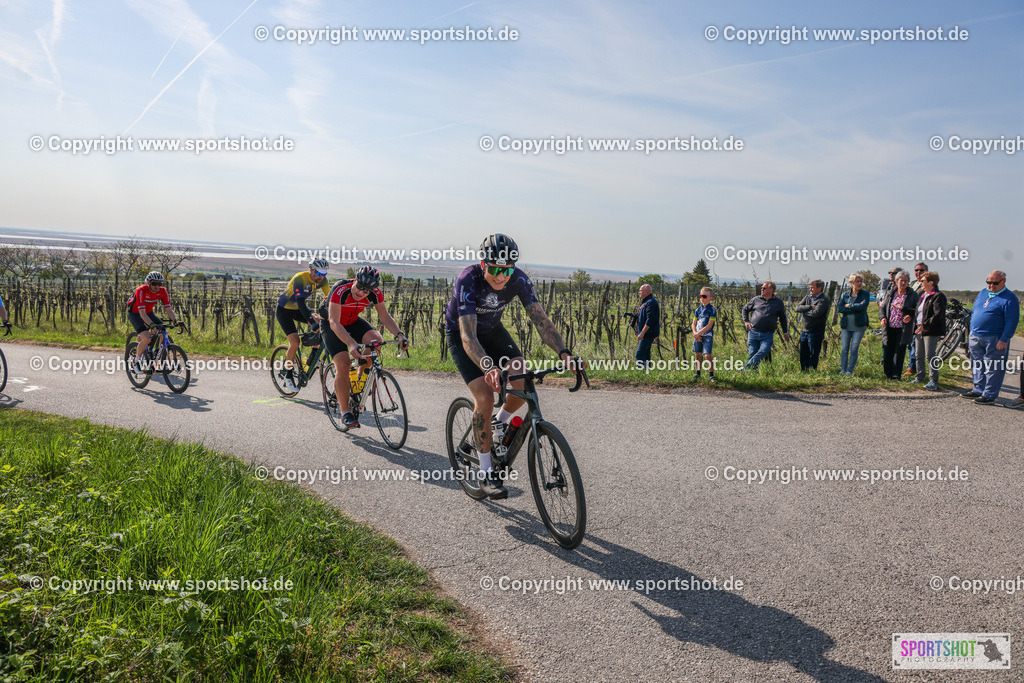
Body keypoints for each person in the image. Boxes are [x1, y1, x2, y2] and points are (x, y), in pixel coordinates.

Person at [445, 234, 584, 499]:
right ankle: (485, 473)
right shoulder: (467, 280)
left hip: (492, 330)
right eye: (495, 269)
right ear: (483, 264)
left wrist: (565, 353)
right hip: (463, 335)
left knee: (521, 378)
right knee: (485, 397)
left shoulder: (518, 279)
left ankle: (498, 423)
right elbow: (468, 337)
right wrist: (488, 366)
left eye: (507, 269)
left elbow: (541, 320)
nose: (501, 276)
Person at [320, 266, 408, 428]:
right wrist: (351, 343)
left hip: (352, 322)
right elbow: (334, 321)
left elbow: (385, 316)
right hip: (332, 325)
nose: (362, 293)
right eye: (360, 287)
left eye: (367, 291)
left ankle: (359, 382)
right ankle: (345, 412)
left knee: (376, 340)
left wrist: (400, 335)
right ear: (355, 280)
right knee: (344, 364)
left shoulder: (375, 293)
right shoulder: (340, 289)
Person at [961, 270, 1020, 405]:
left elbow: (1012, 321)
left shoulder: (1009, 298)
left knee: (994, 367)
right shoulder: (983, 293)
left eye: (994, 283)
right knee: (977, 364)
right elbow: (976, 311)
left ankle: (989, 394)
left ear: (1003, 281)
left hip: (995, 337)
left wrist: (1004, 338)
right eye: (989, 282)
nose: (991, 286)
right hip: (976, 335)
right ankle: (978, 389)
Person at [276, 258, 330, 391]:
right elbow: (301, 303)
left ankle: (313, 356)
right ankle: (288, 374)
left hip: (298, 310)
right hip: (284, 311)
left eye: (324, 274)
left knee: (319, 321)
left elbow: (330, 300)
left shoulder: (323, 280)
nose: (321, 277)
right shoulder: (299, 278)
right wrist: (311, 323)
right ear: (311, 270)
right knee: (295, 342)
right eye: (319, 273)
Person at [127, 271, 180, 372]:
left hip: (148, 312)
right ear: (148, 282)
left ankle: (156, 356)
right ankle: (135, 362)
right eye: (154, 283)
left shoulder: (163, 291)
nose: (157, 286)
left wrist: (176, 320)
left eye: (159, 284)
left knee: (163, 333)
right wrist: (151, 324)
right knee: (146, 338)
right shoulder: (141, 290)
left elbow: (168, 309)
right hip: (135, 313)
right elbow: (142, 313)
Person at [878, 270, 918, 380]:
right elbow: (882, 308)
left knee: (899, 352)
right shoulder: (890, 293)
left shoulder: (912, 295)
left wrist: (910, 315)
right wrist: (883, 318)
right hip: (889, 327)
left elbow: (917, 310)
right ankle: (888, 373)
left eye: (906, 281)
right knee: (888, 350)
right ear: (896, 281)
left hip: (903, 328)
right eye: (901, 281)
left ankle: (896, 374)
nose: (903, 283)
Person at [741, 281, 790, 370]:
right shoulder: (756, 299)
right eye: (761, 288)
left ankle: (746, 368)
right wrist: (746, 321)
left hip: (767, 334)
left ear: (771, 290)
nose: (762, 289)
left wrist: (785, 332)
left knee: (763, 351)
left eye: (764, 288)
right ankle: (752, 373)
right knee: (753, 353)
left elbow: (783, 318)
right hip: (753, 332)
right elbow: (745, 309)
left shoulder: (778, 302)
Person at [913, 271, 946, 391]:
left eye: (923, 281)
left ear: (931, 282)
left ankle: (933, 380)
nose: (920, 282)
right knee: (918, 354)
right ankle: (919, 377)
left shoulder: (938, 296)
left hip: (931, 330)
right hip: (919, 329)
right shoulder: (923, 295)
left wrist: (925, 325)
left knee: (930, 355)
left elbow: (938, 315)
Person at [794, 279, 831, 371]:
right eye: (810, 288)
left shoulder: (823, 300)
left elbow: (816, 313)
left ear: (819, 288)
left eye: (812, 288)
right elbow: (797, 308)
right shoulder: (807, 298)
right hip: (805, 330)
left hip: (816, 331)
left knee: (813, 352)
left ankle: (812, 370)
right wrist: (809, 307)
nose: (810, 289)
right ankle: (804, 370)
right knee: (803, 352)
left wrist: (804, 312)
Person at [837, 273, 869, 375]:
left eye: (860, 281)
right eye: (857, 281)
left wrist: (849, 306)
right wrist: (854, 307)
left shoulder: (865, 294)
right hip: (846, 326)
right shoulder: (845, 295)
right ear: (851, 283)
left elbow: (862, 307)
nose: (859, 283)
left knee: (854, 348)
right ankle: (843, 370)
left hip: (859, 326)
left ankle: (849, 371)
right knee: (844, 349)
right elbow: (840, 308)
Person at [906, 262, 928, 377]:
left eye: (921, 270)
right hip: (909, 315)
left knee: (915, 343)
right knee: (909, 343)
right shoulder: (913, 283)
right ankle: (911, 364)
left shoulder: (928, 284)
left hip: (918, 317)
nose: (918, 272)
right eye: (916, 270)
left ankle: (913, 367)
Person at [692, 287, 716, 382]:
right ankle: (697, 373)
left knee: (707, 355)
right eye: (701, 296)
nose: (702, 298)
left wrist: (698, 333)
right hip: (697, 335)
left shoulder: (712, 310)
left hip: (707, 335)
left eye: (705, 296)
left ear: (711, 298)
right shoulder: (698, 310)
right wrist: (695, 333)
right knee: (698, 355)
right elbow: (694, 323)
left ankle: (711, 375)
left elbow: (710, 325)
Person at [635, 284, 660, 369]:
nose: (639, 292)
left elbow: (650, 320)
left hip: (648, 333)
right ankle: (647, 371)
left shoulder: (651, 303)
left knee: (640, 353)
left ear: (646, 292)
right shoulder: (647, 302)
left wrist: (642, 333)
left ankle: (641, 372)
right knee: (645, 353)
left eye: (640, 291)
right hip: (647, 333)